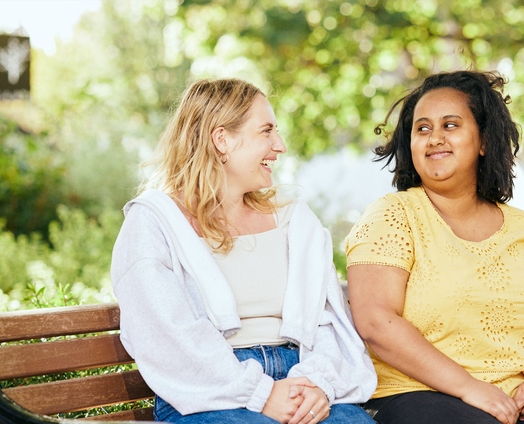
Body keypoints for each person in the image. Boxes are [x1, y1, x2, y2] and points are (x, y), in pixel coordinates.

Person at [111, 78, 376, 424]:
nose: (279, 145)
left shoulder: (294, 220)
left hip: (301, 378)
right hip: (211, 392)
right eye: (266, 131)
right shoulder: (155, 222)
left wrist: (317, 383)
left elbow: (326, 320)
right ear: (222, 139)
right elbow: (167, 334)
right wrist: (259, 393)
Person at [344, 70, 524, 424]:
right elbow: (377, 322)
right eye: (422, 129)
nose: (434, 138)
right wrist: (469, 386)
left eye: (450, 125)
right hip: (415, 397)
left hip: (516, 403)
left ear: (484, 141)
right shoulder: (394, 215)